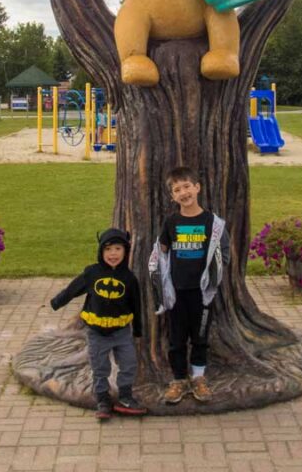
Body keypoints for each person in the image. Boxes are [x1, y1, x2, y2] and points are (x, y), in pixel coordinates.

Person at [149, 166, 230, 405]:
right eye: (177, 189)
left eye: (187, 186)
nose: (183, 192)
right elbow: (162, 251)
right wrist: (159, 276)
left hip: (202, 294)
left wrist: (214, 277)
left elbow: (222, 252)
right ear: (172, 196)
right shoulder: (172, 222)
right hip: (177, 292)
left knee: (200, 336)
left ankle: (198, 378)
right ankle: (178, 380)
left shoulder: (212, 223)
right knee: (176, 338)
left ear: (197, 187)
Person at [50, 228, 146, 419]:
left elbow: (136, 305)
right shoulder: (92, 273)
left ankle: (126, 396)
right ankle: (102, 398)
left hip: (121, 332)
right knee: (100, 366)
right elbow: (73, 289)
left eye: (118, 249)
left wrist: (138, 329)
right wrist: (57, 301)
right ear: (101, 252)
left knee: (128, 363)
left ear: (125, 251)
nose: (113, 254)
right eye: (108, 249)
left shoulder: (129, 278)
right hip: (97, 332)